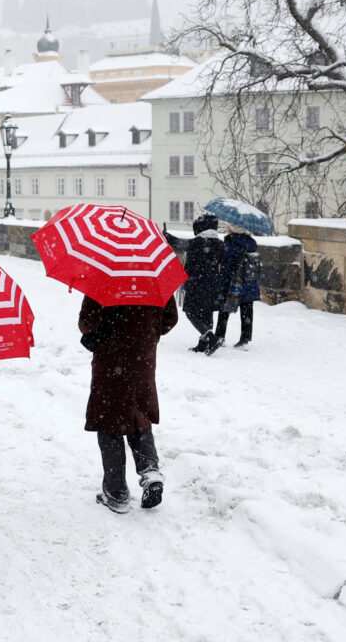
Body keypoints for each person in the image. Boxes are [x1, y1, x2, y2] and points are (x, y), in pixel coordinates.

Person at [78, 295, 179, 513]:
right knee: (138, 415)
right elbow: (170, 317)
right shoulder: (153, 278)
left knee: (108, 420)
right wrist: (146, 332)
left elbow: (87, 321)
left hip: (110, 359)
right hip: (142, 358)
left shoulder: (105, 277)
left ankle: (116, 493)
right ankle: (150, 471)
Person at [163, 214, 224, 351]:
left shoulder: (199, 241)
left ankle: (210, 338)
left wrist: (165, 235)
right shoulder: (219, 243)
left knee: (190, 312)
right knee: (207, 313)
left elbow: (180, 244)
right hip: (213, 284)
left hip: (197, 284)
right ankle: (204, 344)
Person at [207, 224, 260, 354]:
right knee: (247, 310)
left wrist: (222, 282)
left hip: (234, 281)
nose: (228, 228)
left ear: (234, 229)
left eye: (231, 227)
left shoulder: (231, 243)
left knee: (224, 308)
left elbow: (226, 266)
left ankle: (220, 336)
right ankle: (245, 339)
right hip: (249, 282)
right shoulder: (252, 243)